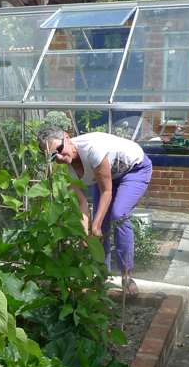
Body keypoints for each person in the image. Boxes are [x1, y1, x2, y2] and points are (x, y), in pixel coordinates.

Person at [37, 125, 153, 296]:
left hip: (134, 169)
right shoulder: (64, 168)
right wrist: (84, 232)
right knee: (98, 227)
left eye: (60, 149)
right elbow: (82, 202)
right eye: (53, 155)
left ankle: (126, 276)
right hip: (109, 177)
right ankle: (101, 276)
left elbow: (107, 190)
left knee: (117, 215)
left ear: (67, 138)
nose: (59, 157)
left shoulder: (92, 149)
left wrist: (96, 225)